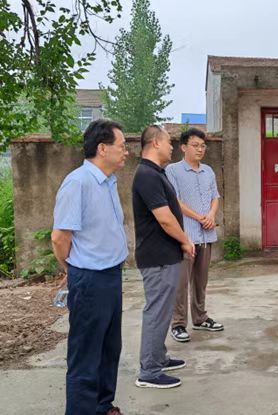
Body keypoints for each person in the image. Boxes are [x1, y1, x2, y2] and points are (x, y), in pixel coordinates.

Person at [51, 119, 129, 415]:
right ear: (102, 148)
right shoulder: (78, 182)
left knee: (109, 348)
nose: (126, 152)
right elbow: (60, 237)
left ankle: (102, 406)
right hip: (89, 279)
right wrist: (72, 270)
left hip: (110, 276)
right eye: (121, 146)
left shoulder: (109, 181)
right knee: (85, 354)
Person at [132, 125, 195, 389]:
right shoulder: (146, 175)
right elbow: (165, 218)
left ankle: (158, 357)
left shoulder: (156, 173)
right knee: (157, 312)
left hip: (165, 255)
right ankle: (149, 371)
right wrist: (185, 240)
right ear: (155, 143)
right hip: (156, 256)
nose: (172, 146)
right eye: (168, 141)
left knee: (163, 309)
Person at [166, 128, 223, 343]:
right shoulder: (173, 171)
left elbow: (215, 197)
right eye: (195, 145)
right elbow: (175, 201)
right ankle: (178, 324)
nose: (200, 149)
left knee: (201, 280)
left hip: (206, 235)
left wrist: (211, 215)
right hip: (186, 235)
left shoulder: (208, 171)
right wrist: (200, 217)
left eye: (203, 146)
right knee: (181, 282)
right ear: (183, 147)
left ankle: (200, 318)